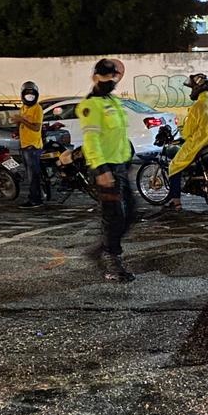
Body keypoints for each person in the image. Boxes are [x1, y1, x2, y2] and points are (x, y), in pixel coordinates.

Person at [78, 58, 136, 281]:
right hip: (105, 168)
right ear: (95, 77)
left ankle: (103, 249)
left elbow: (120, 136)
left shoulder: (113, 102)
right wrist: (101, 169)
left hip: (120, 166)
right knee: (113, 216)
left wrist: (127, 162)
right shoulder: (90, 105)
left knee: (130, 213)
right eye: (105, 76)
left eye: (112, 76)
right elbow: (91, 140)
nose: (110, 80)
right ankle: (112, 262)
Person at [166, 73, 208, 210]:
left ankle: (176, 202)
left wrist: (183, 135)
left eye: (192, 88)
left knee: (174, 165)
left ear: (197, 88)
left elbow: (188, 131)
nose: (191, 91)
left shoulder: (198, 106)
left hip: (200, 143)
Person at [17, 81, 44, 209]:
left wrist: (22, 120)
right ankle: (35, 196)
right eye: (27, 93)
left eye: (32, 93)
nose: (29, 96)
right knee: (30, 175)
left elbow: (36, 127)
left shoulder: (37, 108)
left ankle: (35, 200)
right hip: (24, 145)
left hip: (32, 147)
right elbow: (23, 125)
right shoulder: (23, 108)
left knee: (33, 175)